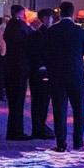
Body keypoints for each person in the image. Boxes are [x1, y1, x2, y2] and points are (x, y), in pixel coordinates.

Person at [44, 1, 84, 152]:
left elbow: (46, 51)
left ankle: (61, 143)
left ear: (60, 13)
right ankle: (78, 141)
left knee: (59, 109)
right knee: (79, 108)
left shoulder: (52, 31)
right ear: (73, 13)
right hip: (76, 73)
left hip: (57, 74)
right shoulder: (80, 31)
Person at [3, 4, 32, 140]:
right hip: (19, 66)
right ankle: (16, 132)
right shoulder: (19, 26)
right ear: (19, 13)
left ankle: (14, 130)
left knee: (14, 101)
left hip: (11, 65)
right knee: (18, 101)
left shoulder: (10, 25)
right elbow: (28, 40)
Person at [28, 8, 55, 139]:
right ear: (45, 18)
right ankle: (39, 128)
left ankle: (39, 127)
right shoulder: (41, 34)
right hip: (41, 72)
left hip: (37, 71)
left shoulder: (38, 33)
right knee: (41, 101)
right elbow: (41, 53)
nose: (52, 20)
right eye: (51, 17)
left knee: (39, 101)